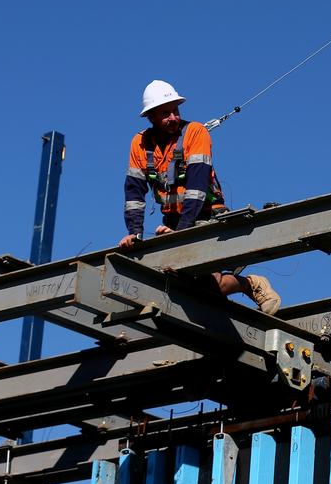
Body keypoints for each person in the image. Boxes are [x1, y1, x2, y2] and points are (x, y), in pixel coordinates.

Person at [119, 80, 280, 314]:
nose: (173, 117)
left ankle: (252, 284)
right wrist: (134, 234)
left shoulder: (195, 132)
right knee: (187, 287)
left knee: (201, 280)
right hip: (173, 223)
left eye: (176, 110)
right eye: (166, 113)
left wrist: (182, 234)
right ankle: (241, 291)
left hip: (207, 217)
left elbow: (196, 189)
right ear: (151, 117)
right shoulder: (140, 144)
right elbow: (134, 193)